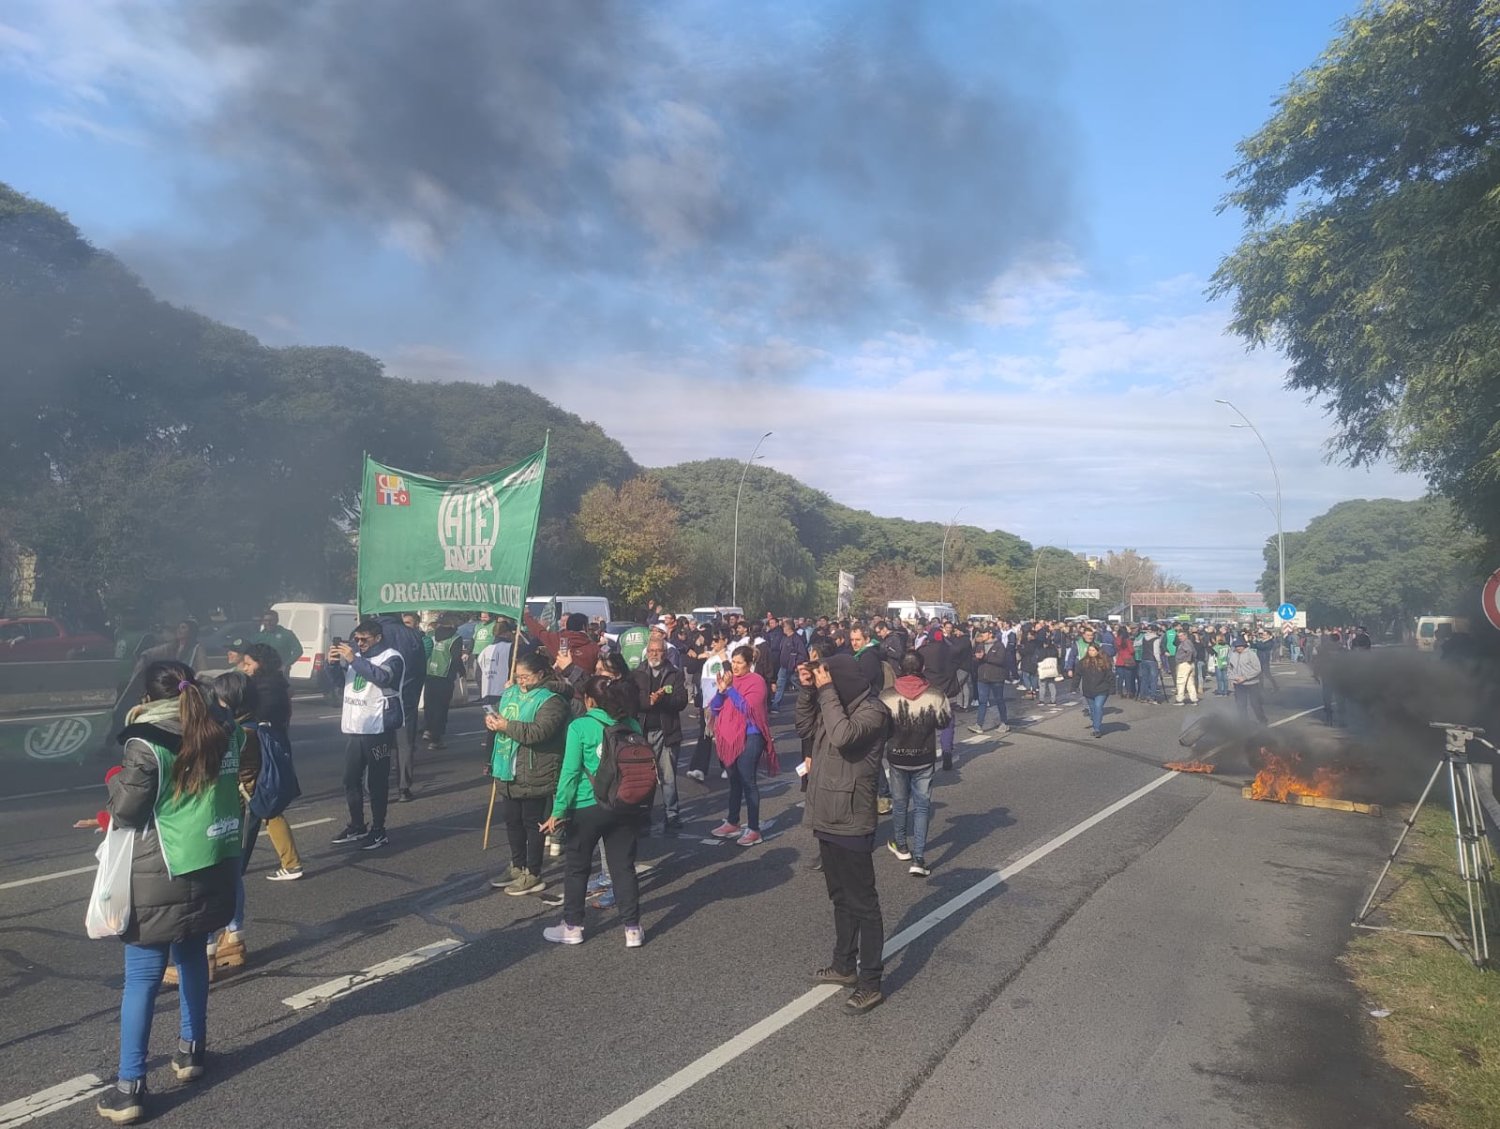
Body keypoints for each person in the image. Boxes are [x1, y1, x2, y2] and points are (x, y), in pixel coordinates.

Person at [97, 661, 241, 1123]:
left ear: (147, 696)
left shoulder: (146, 741)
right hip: (214, 859)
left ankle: (129, 1086)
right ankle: (191, 1052)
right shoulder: (223, 729)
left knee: (141, 977)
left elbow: (126, 810)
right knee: (194, 955)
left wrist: (114, 779)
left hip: (159, 868)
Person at [797, 652, 890, 1012]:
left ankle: (871, 982)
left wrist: (825, 692)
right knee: (839, 897)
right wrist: (809, 692)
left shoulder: (873, 710)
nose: (824, 684)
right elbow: (804, 728)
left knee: (864, 904)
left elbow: (843, 736)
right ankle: (843, 964)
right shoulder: (829, 702)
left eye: (827, 677)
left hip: (852, 818)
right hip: (825, 816)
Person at [539, 676, 647, 947]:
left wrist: (559, 809)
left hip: (588, 805)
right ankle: (632, 928)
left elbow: (570, 772)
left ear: (589, 700)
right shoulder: (631, 724)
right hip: (624, 804)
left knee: (577, 868)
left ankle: (572, 926)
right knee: (623, 866)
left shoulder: (581, 726)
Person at [486, 652, 571, 896]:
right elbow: (503, 716)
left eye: (526, 677)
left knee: (532, 824)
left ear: (541, 674)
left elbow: (539, 732)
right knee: (512, 821)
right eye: (518, 677)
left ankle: (533, 872)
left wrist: (506, 726)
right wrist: (493, 722)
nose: (521, 681)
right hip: (507, 766)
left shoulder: (552, 700)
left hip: (535, 768)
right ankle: (516, 864)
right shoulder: (511, 692)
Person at [328, 619, 405, 850]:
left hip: (378, 727)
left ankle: (379, 830)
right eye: (357, 639)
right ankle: (357, 825)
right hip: (355, 726)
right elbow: (342, 684)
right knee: (350, 780)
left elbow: (383, 678)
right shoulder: (357, 658)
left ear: (377, 637)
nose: (359, 643)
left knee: (377, 782)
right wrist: (332, 665)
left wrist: (354, 659)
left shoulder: (392, 657)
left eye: (364, 639)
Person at [238, 644, 304, 881]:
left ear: (261, 663)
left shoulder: (265, 688)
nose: (245, 668)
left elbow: (256, 717)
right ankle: (289, 862)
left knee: (260, 805)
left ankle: (239, 867)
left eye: (248, 664)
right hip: (271, 748)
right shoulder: (275, 683)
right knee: (262, 808)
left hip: (262, 752)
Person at [880, 652, 949, 878]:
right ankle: (919, 858)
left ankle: (901, 845)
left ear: (900, 667)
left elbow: (880, 727)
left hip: (897, 756)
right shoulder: (935, 694)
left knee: (899, 803)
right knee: (922, 807)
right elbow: (943, 722)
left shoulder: (886, 695)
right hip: (923, 756)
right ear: (923, 666)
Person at [707, 646, 779, 846]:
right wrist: (722, 691)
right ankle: (732, 822)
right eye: (733, 661)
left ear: (749, 664)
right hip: (729, 738)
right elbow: (715, 707)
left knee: (748, 782)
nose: (735, 666)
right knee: (734, 781)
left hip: (751, 736)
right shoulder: (730, 680)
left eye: (739, 662)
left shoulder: (757, 682)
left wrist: (730, 689)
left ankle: (754, 829)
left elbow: (749, 709)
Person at [632, 636, 688, 832]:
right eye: (652, 650)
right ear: (647, 652)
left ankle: (672, 814)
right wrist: (649, 702)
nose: (654, 654)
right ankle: (643, 815)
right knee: (644, 778)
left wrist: (662, 700)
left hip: (666, 732)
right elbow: (631, 701)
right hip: (642, 732)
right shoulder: (637, 673)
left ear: (666, 653)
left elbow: (681, 701)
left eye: (659, 651)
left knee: (668, 777)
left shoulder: (675, 673)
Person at [421, 620, 460, 760]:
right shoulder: (455, 638)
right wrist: (460, 671)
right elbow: (456, 658)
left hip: (429, 673)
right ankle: (436, 739)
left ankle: (427, 729)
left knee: (429, 705)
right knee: (441, 708)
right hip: (444, 676)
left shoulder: (430, 635)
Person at [970, 629, 1012, 735]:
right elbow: (973, 658)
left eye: (984, 634)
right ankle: (979, 725)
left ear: (990, 634)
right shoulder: (980, 645)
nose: (982, 636)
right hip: (982, 678)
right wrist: (977, 658)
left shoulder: (999, 646)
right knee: (982, 701)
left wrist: (985, 657)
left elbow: (1000, 660)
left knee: (999, 700)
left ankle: (1004, 723)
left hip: (996, 677)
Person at [1228, 637, 1268, 724]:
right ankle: (1244, 723)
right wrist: (1232, 679)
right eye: (1236, 646)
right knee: (1241, 705)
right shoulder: (1233, 655)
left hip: (1252, 683)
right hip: (1238, 684)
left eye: (1240, 646)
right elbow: (1230, 669)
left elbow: (1257, 669)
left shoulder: (1251, 654)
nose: (1238, 647)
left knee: (1255, 704)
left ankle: (1263, 721)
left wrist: (1245, 677)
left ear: (1244, 645)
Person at [773, 618, 810, 711]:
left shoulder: (797, 639)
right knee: (780, 685)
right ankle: (775, 705)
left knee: (799, 684)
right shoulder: (784, 638)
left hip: (793, 668)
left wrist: (796, 664)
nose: (783, 629)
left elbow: (803, 654)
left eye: (784, 626)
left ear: (789, 627)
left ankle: (809, 696)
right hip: (783, 667)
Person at [1079, 643, 1114, 738]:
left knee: (1098, 706)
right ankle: (1095, 723)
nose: (1091, 652)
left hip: (1102, 689)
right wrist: (1074, 687)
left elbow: (1110, 675)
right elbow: (1077, 675)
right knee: (1093, 709)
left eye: (1093, 650)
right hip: (1088, 689)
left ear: (1098, 651)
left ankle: (1097, 729)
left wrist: (1112, 687)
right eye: (1089, 650)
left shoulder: (1104, 662)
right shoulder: (1083, 662)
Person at [1173, 626, 1200, 706]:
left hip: (1184, 664)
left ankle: (1180, 699)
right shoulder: (1189, 642)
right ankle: (1194, 699)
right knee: (1190, 683)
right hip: (1190, 664)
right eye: (1178, 636)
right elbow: (1194, 652)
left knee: (1181, 682)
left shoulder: (1185, 643)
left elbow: (1189, 651)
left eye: (1181, 636)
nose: (1179, 637)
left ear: (1185, 635)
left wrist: (1184, 658)